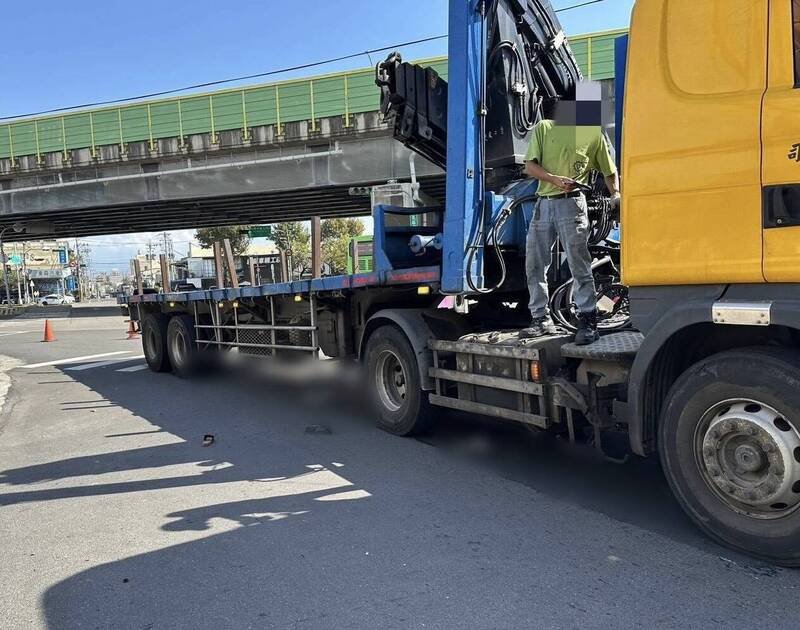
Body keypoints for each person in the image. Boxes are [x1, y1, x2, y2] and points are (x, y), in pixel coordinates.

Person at [520, 81, 620, 345]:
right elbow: (530, 166)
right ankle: (541, 319)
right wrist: (554, 179)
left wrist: (616, 195)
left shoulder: (593, 136)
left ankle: (588, 320)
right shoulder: (545, 128)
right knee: (535, 263)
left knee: (579, 263)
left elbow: (609, 171)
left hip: (573, 204)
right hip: (544, 204)